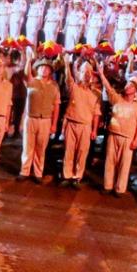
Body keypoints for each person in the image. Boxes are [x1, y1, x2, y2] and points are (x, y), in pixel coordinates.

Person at [97, 70, 137, 195]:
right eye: (127, 85)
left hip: (128, 137)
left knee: (124, 164)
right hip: (113, 134)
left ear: (135, 90)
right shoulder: (117, 98)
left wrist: (136, 139)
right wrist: (102, 73)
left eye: (131, 86)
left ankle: (120, 188)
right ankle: (108, 186)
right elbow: (108, 88)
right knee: (110, 161)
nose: (128, 87)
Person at [60, 57, 101, 187]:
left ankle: (77, 177)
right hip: (71, 123)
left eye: (89, 72)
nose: (87, 74)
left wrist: (94, 130)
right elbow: (68, 79)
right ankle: (67, 175)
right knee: (69, 150)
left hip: (86, 126)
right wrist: (67, 64)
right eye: (84, 71)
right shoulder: (74, 87)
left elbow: (96, 114)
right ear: (80, 73)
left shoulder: (96, 94)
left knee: (82, 152)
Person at [19, 60, 60, 183]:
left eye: (47, 68)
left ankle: (38, 172)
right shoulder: (32, 81)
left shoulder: (54, 86)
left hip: (45, 120)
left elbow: (56, 105)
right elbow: (26, 74)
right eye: (41, 67)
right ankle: (24, 171)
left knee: (41, 148)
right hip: (31, 118)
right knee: (27, 146)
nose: (44, 70)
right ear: (37, 69)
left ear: (50, 71)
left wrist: (54, 124)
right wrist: (28, 58)